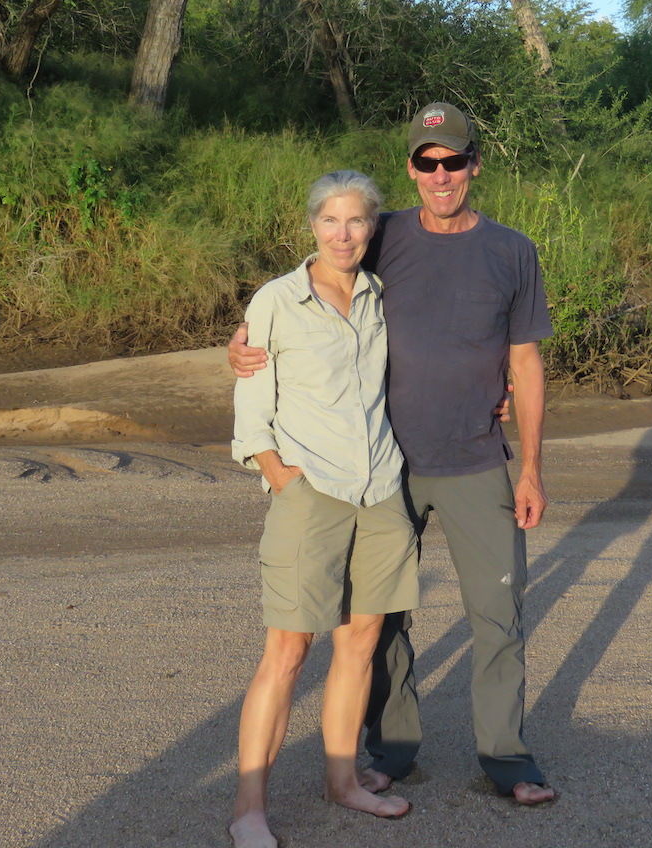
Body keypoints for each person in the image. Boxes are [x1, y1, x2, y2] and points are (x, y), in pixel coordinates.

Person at [229, 103, 556, 806]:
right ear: (411, 168)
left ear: (474, 164)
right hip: (385, 468)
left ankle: (507, 760)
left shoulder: (512, 250)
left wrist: (529, 467)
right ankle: (392, 754)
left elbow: (525, 364)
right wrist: (242, 339)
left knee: (498, 613)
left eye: (454, 161)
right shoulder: (385, 236)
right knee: (380, 625)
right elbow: (312, 280)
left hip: (475, 460)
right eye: (426, 163)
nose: (441, 176)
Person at [229, 170, 421, 848]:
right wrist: (285, 481)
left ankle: (342, 782)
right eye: (331, 221)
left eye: (357, 222)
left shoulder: (381, 297)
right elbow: (251, 414)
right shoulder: (276, 301)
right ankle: (248, 808)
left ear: (372, 228)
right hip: (311, 494)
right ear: (311, 224)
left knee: (361, 642)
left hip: (381, 493)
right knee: (286, 651)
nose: (344, 234)